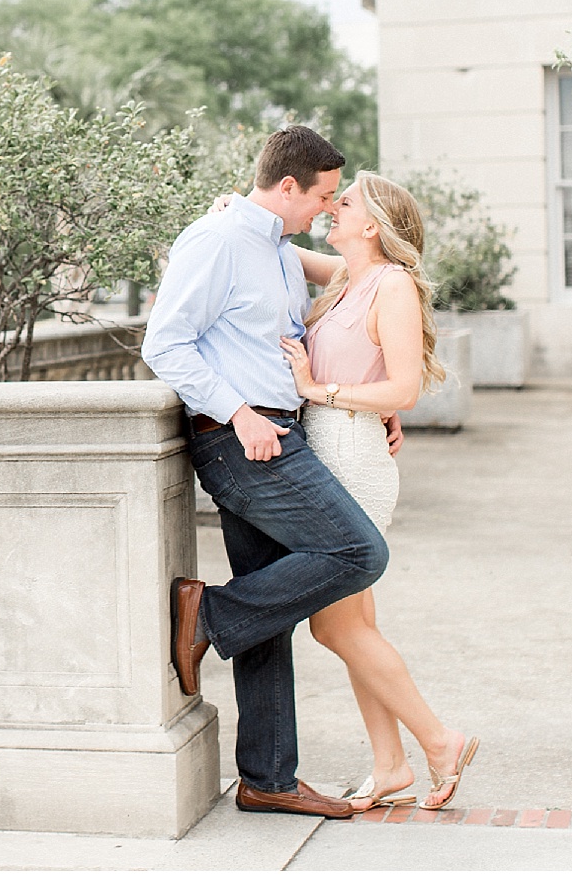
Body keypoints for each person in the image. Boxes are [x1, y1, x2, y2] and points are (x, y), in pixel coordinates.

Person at [141, 125, 397, 820]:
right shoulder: (217, 239)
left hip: (282, 429)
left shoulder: (279, 251)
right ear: (288, 186)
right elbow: (164, 341)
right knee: (357, 550)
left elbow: (354, 288)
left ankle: (267, 776)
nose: (326, 206)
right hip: (241, 440)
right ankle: (210, 614)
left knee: (272, 608)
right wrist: (240, 413)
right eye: (322, 195)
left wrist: (373, 402)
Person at [276, 171, 480, 812]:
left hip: (349, 456)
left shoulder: (390, 285)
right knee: (354, 624)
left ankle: (438, 740)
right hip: (331, 447)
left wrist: (320, 391)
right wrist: (236, 208)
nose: (333, 207)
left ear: (373, 226)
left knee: (334, 625)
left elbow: (404, 392)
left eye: (347, 201)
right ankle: (391, 765)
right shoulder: (345, 278)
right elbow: (276, 242)